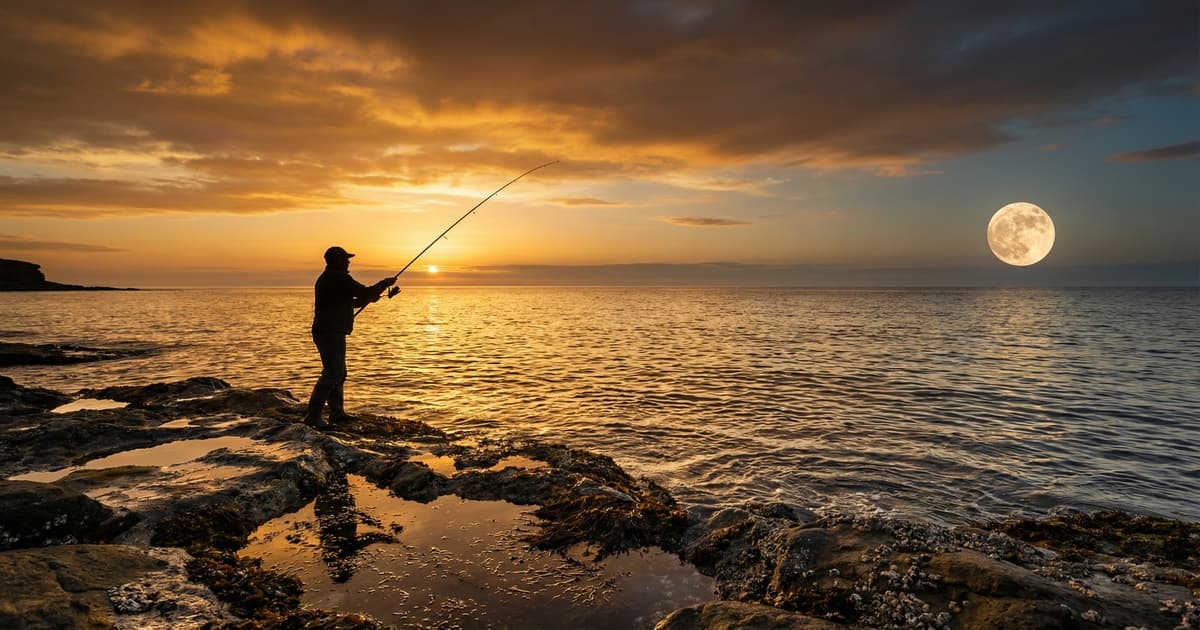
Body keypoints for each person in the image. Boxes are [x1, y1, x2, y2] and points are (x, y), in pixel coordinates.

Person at [301, 246, 396, 427]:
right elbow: (364, 292)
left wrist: (369, 297)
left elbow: (354, 301)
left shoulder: (330, 278)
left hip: (330, 330)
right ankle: (312, 415)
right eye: (345, 259)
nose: (348, 261)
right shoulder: (338, 277)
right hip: (330, 331)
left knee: (339, 373)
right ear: (336, 260)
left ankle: (337, 413)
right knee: (333, 373)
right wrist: (384, 283)